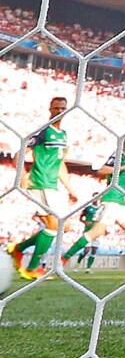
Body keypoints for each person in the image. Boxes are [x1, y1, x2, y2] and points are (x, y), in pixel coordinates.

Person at [7, 96, 79, 280]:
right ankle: (31, 268)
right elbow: (19, 153)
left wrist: (70, 188)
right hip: (40, 183)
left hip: (53, 185)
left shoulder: (63, 135)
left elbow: (60, 164)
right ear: (50, 109)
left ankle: (18, 249)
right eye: (56, 108)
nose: (60, 111)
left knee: (64, 226)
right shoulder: (43, 131)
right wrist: (22, 176)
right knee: (54, 226)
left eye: (63, 108)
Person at [61, 133, 125, 276]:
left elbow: (119, 176)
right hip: (111, 199)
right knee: (95, 232)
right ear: (123, 142)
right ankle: (63, 260)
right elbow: (102, 170)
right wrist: (124, 168)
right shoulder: (118, 155)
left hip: (120, 201)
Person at [74, 194, 102, 273]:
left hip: (96, 231)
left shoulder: (101, 208)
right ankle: (77, 264)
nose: (96, 199)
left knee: (94, 250)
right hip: (88, 231)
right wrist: (84, 221)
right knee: (86, 250)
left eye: (98, 197)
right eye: (95, 197)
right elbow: (81, 217)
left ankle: (88, 268)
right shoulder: (88, 208)